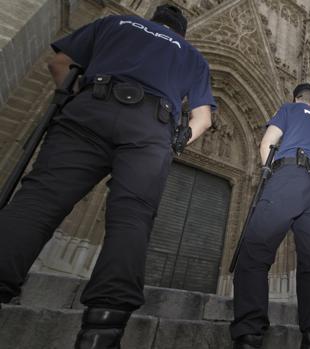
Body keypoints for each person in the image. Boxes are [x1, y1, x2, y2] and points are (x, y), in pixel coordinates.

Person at [0, 4, 216, 348]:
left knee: (38, 200)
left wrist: (79, 103)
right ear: (182, 33)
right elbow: (203, 118)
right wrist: (173, 142)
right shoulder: (193, 57)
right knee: (132, 220)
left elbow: (59, 63)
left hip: (91, 107)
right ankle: (102, 332)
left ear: (152, 19)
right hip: (151, 127)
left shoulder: (115, 23)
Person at [229, 83, 310, 349]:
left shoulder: (289, 109)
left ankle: (250, 334)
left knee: (254, 252)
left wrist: (270, 177)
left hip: (289, 177)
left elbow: (268, 142)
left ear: (297, 98)